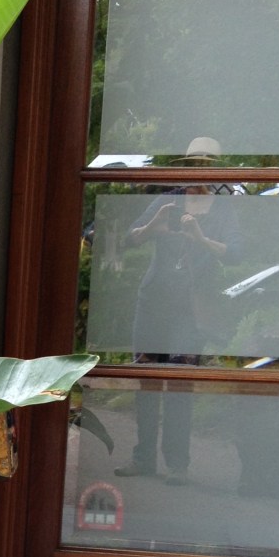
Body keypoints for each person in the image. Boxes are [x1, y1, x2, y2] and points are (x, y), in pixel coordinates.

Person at [115, 138, 241, 486]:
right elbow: (130, 238)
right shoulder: (167, 200)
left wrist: (200, 238)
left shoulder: (223, 209)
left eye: (205, 165)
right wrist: (153, 225)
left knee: (180, 384)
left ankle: (177, 464)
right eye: (193, 164)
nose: (198, 171)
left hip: (189, 309)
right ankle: (143, 459)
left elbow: (235, 254)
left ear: (215, 170)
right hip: (152, 303)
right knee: (147, 380)